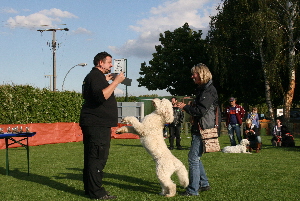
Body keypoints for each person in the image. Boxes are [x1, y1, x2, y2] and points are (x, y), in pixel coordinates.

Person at [79, 51, 125, 200]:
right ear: (100, 63)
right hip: (97, 124)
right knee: (98, 157)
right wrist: (116, 82)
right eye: (109, 62)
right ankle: (97, 192)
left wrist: (106, 80)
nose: (111, 65)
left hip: (93, 123)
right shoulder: (95, 76)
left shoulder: (94, 77)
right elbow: (100, 96)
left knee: (91, 157)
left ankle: (90, 189)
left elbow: (93, 93)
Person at [177, 63, 218, 196]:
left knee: (193, 158)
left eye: (194, 73)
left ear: (201, 74)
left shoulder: (208, 90)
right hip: (201, 127)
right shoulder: (203, 89)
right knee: (196, 157)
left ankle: (193, 190)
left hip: (203, 128)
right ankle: (203, 183)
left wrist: (185, 107)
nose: (192, 76)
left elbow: (200, 111)